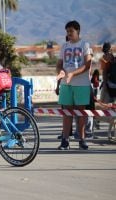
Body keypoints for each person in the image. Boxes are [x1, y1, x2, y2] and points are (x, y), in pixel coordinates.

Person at [56, 20, 92, 150]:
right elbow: (59, 64)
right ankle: (65, 140)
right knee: (67, 112)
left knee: (81, 113)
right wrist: (61, 72)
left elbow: (87, 65)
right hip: (66, 85)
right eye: (67, 31)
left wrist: (73, 74)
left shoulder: (85, 45)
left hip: (81, 84)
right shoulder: (64, 46)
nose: (69, 33)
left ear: (78, 31)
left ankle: (82, 140)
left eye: (71, 31)